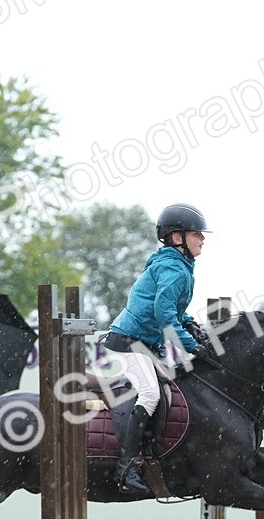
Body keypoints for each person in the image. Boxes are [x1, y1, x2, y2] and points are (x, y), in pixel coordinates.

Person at [104, 203, 212, 492]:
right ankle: (125, 468)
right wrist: (192, 347)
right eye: (197, 234)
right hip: (128, 343)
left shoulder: (179, 266)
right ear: (178, 238)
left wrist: (190, 325)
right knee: (151, 393)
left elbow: (174, 311)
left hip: (146, 344)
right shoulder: (174, 269)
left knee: (175, 384)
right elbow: (165, 317)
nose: (203, 238)